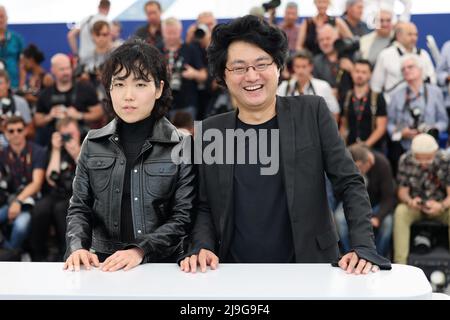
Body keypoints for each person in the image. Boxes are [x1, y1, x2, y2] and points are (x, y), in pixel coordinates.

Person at [179, 15, 390, 274]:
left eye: (262, 63)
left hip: (310, 269)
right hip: (232, 274)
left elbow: (349, 181)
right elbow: (204, 205)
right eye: (239, 67)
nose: (251, 76)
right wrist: (201, 246)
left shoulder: (312, 112)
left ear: (279, 66)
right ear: (224, 75)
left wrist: (362, 246)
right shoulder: (212, 130)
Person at [63, 39, 195, 272]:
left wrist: (139, 250)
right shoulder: (93, 143)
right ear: (110, 89)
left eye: (141, 84)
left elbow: (183, 217)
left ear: (159, 89)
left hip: (162, 268)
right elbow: (79, 207)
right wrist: (78, 247)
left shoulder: (181, 144)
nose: (128, 95)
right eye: (120, 84)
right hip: (102, 266)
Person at [393, 133, 450, 264]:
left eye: (428, 159)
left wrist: (441, 206)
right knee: (400, 212)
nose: (424, 163)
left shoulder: (445, 160)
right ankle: (401, 264)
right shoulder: (405, 160)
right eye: (420, 159)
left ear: (435, 152)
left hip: (441, 206)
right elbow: (402, 192)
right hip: (415, 207)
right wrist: (410, 201)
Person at [30, 118, 81, 262]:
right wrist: (56, 150)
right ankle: (38, 254)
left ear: (78, 132)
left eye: (71, 133)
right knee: (40, 209)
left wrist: (76, 154)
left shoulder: (88, 146)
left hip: (77, 194)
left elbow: (92, 177)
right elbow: (51, 180)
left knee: (61, 209)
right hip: (57, 191)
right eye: (65, 135)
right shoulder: (54, 150)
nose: (69, 137)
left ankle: (65, 252)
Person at [334, 144, 395, 257]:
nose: (357, 170)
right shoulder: (348, 165)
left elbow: (388, 198)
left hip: (376, 205)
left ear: (368, 162)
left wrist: (378, 217)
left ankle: (378, 256)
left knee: (387, 223)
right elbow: (339, 193)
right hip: (352, 203)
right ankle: (351, 254)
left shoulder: (382, 164)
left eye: (359, 167)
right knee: (338, 219)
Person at [0, 116, 46, 261]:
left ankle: (10, 257)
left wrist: (18, 202)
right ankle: (13, 253)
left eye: (19, 130)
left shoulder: (37, 151)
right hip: (10, 200)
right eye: (11, 131)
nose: (16, 134)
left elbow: (36, 183)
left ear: (25, 131)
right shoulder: (3, 154)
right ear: (5, 134)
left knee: (21, 225)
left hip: (31, 201)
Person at [339, 59, 387, 151]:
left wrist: (365, 146)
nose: (359, 75)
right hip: (350, 148)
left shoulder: (377, 97)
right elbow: (343, 126)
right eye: (357, 71)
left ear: (370, 75)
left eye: (364, 72)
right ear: (352, 73)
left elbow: (381, 128)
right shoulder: (346, 97)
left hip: (373, 149)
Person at [0, 6, 25, 90]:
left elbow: (22, 65)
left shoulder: (17, 39)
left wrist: (21, 88)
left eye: (2, 16)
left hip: (13, 85)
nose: (0, 20)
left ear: (7, 18)